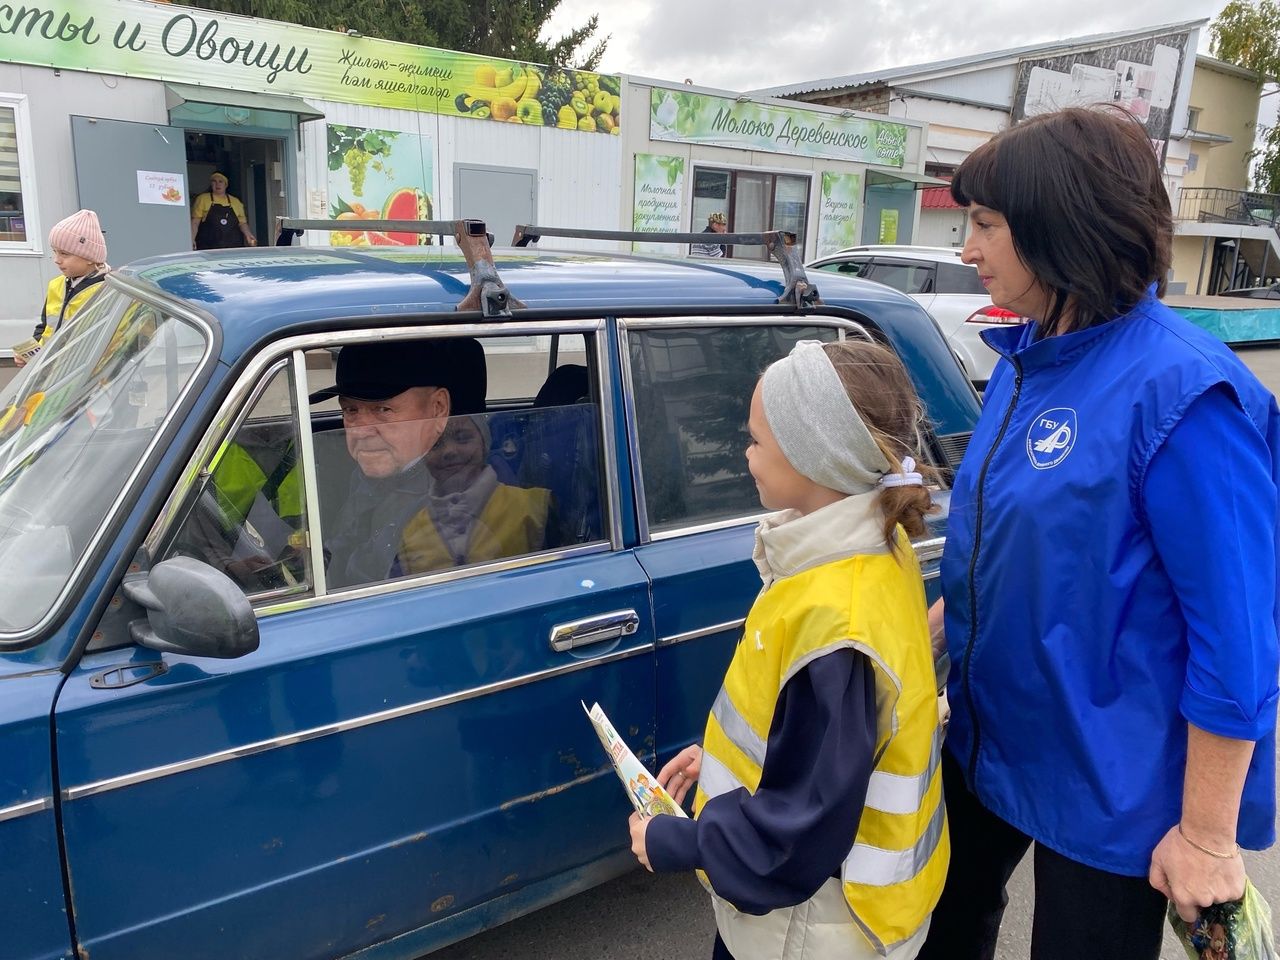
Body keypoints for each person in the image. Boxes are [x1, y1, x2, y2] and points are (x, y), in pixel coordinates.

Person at [916, 106, 1279, 960]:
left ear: (1063, 225)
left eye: (988, 225)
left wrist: (1206, 837)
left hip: (1113, 781)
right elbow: (1011, 552)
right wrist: (917, 635)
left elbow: (1239, 637)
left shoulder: (1185, 394)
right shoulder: (1030, 359)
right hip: (989, 739)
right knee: (939, 927)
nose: (969, 250)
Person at [630, 338, 949, 960]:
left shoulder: (835, 614)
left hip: (814, 931)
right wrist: (725, 766)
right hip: (840, 914)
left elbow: (800, 831)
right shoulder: (870, 552)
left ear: (813, 456)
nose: (745, 453)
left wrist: (678, 842)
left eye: (755, 440)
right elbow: (817, 743)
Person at [313, 338, 484, 590]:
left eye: (382, 410)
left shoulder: (455, 501)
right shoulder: (380, 473)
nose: (361, 431)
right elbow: (344, 545)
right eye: (350, 410)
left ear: (438, 409)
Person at [397, 412, 552, 573]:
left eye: (463, 438)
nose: (449, 451)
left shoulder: (535, 507)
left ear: (485, 443)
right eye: (435, 444)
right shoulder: (410, 531)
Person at [23, 209, 111, 367]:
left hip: (76, 374)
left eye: (64, 254)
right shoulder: (56, 285)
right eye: (54, 252)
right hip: (46, 368)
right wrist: (31, 353)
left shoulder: (106, 290)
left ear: (90, 258)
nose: (56, 260)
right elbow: (45, 326)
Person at [191, 172, 257, 250]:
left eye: (220, 181)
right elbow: (195, 222)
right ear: (211, 184)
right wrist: (192, 239)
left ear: (226, 184)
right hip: (209, 246)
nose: (217, 184)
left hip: (233, 245)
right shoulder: (203, 199)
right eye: (214, 181)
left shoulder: (235, 202)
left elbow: (242, 223)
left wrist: (248, 235)